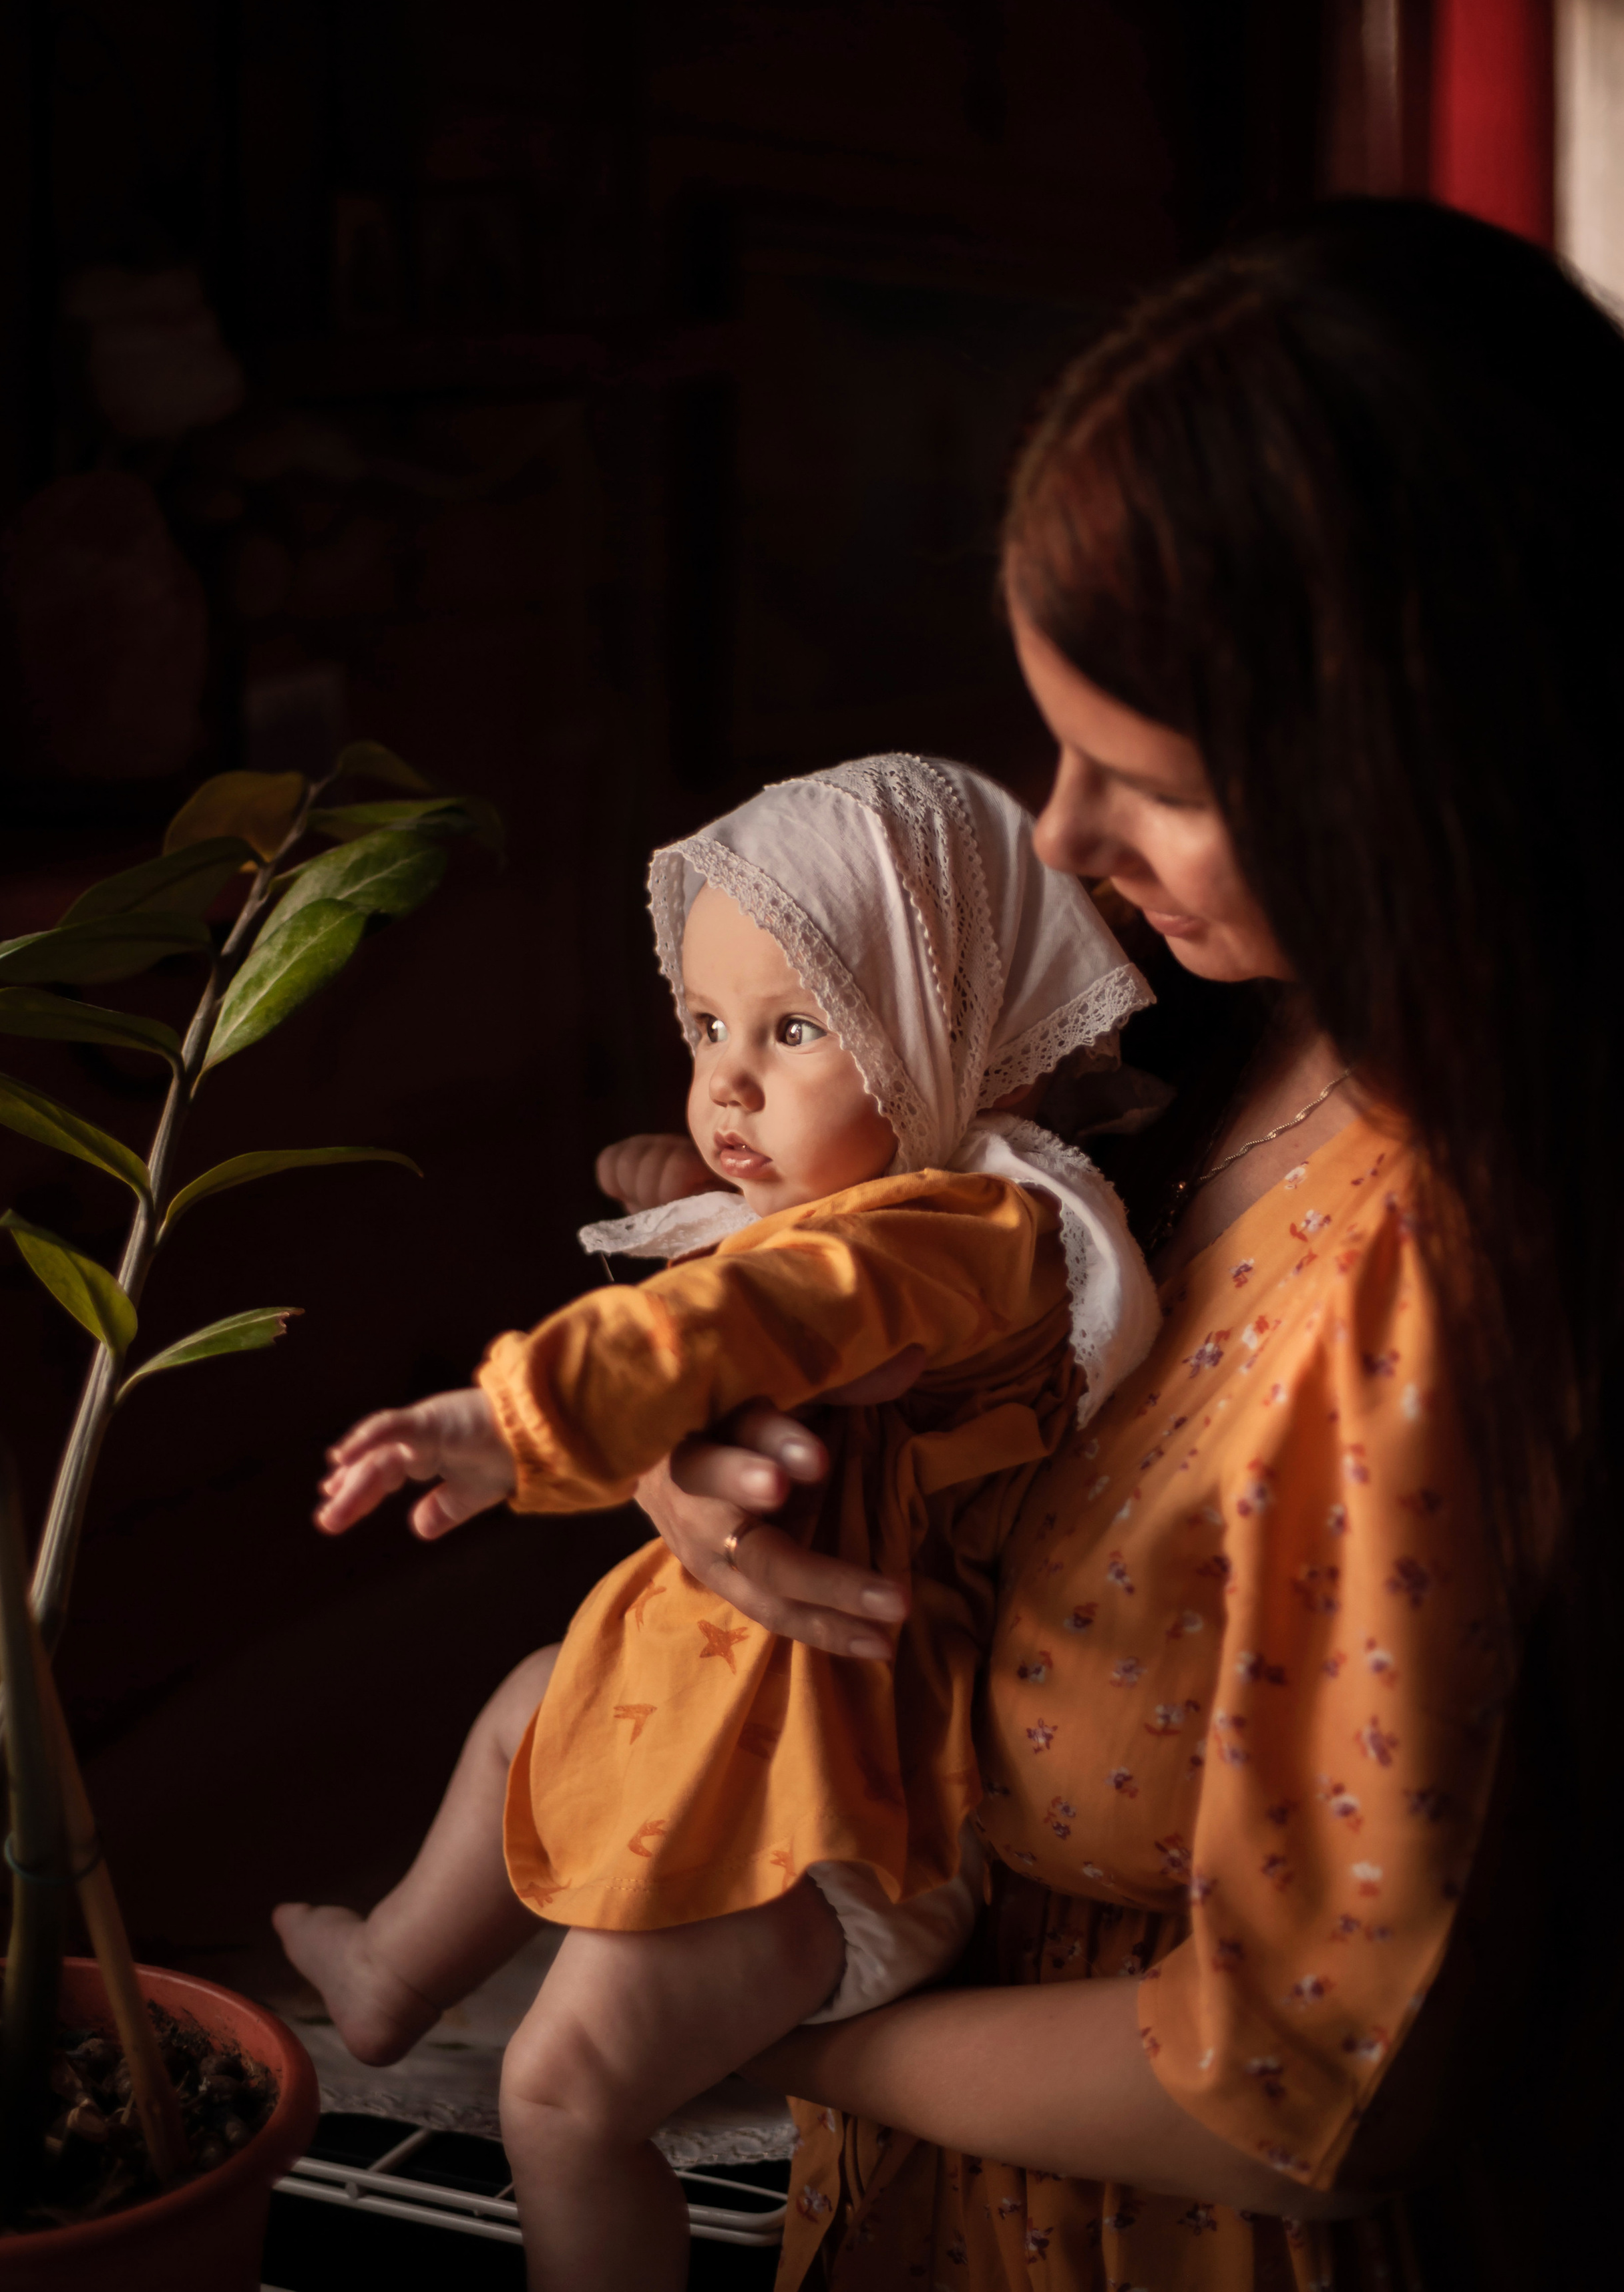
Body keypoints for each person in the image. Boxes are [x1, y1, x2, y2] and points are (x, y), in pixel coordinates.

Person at [614, 202, 1624, 2289]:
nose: (1058, 838)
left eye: (1144, 781)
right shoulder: (1210, 1051)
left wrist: (793, 2037)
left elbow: (1311, 2079)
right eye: (1054, 742)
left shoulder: (1440, 1275)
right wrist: (704, 1452)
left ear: (1408, 782)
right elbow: (805, 1258)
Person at [274, 753, 1162, 2292]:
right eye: (704, 1028)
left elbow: (772, 1303)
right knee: (525, 1710)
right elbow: (786, 1252)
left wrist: (516, 1419)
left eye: (795, 1028)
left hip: (835, 1829)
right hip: (734, 1719)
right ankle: (388, 1974)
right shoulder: (890, 1203)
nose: (729, 1080)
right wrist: (691, 1181)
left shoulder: (976, 1234)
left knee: (557, 2096)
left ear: (967, 1053)